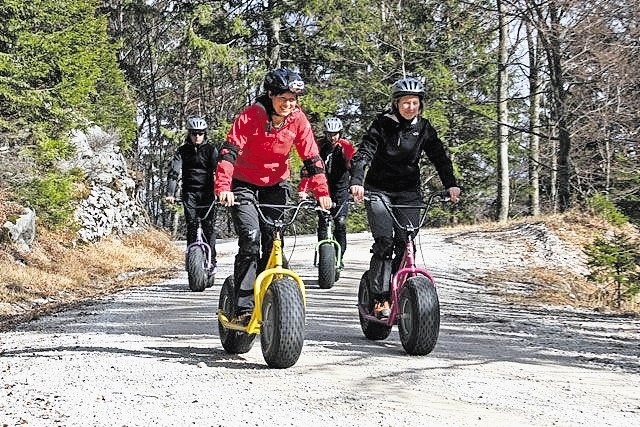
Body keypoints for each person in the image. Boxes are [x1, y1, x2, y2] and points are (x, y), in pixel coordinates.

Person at [215, 68, 332, 324]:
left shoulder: (298, 120)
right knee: (250, 237)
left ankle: (277, 300)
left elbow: (311, 157)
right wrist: (223, 187)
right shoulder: (251, 115)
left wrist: (321, 191)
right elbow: (229, 151)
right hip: (243, 183)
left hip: (276, 184)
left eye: (293, 99)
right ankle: (243, 307)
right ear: (271, 95)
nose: (288, 104)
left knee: (274, 240)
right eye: (283, 98)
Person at [349, 77, 461, 319]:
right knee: (384, 242)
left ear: (420, 105)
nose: (410, 107)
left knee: (406, 241)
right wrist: (357, 181)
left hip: (409, 192)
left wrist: (451, 184)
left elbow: (439, 156)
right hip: (378, 190)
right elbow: (364, 153)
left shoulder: (424, 128)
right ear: (396, 103)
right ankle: (380, 298)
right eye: (405, 103)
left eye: (414, 103)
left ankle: (404, 292)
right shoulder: (382, 124)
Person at [165, 116, 219, 281]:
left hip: (208, 194)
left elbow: (220, 171)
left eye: (200, 133)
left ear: (205, 134)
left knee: (209, 227)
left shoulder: (211, 150)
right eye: (194, 133)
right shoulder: (182, 151)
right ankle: (191, 261)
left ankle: (212, 262)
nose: (197, 136)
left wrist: (222, 191)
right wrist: (170, 194)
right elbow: (174, 172)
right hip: (190, 194)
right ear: (189, 134)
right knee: (191, 226)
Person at [298, 117, 356, 269]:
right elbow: (308, 170)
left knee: (340, 222)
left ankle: (339, 256)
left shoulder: (346, 147)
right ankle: (324, 256)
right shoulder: (319, 146)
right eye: (330, 134)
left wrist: (355, 187)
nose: (333, 137)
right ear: (325, 133)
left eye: (336, 133)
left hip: (341, 190)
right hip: (323, 189)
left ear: (340, 133)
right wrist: (303, 190)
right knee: (324, 222)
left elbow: (354, 166)